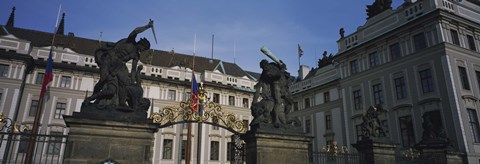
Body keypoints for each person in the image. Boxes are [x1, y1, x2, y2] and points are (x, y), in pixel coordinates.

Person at [88, 20, 153, 109]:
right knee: (103, 80)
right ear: (141, 44)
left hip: (120, 65)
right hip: (110, 58)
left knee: (124, 83)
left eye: (144, 49)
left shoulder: (136, 55)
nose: (143, 50)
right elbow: (136, 31)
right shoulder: (130, 41)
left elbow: (133, 70)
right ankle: (93, 97)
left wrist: (133, 81)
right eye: (143, 48)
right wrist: (147, 26)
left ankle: (122, 103)